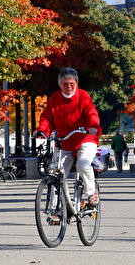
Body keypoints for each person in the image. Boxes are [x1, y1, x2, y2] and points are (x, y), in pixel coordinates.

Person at [35, 67, 101, 206]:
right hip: (65, 141)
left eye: (72, 84)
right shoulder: (55, 98)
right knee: (55, 172)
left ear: (76, 83)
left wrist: (93, 126)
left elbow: (91, 113)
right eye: (65, 84)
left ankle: (91, 193)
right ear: (60, 85)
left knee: (83, 164)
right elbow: (47, 117)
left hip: (85, 138)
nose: (69, 87)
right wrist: (42, 130)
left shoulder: (83, 96)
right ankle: (55, 209)